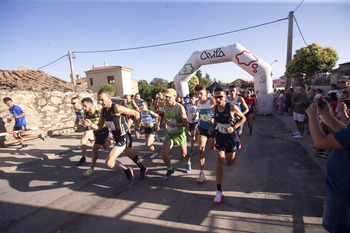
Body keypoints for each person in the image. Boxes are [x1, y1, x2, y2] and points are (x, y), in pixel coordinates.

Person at [306, 98, 350, 232]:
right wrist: (326, 114)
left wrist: (312, 116)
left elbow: (320, 142)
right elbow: (344, 131)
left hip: (344, 197)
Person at [97, 90, 148, 183]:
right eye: (99, 100)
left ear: (109, 97)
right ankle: (143, 167)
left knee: (109, 162)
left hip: (124, 137)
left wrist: (137, 129)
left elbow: (136, 113)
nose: (100, 102)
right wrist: (90, 125)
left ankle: (126, 170)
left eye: (102, 100)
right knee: (130, 154)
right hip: (116, 137)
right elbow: (100, 126)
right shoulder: (103, 111)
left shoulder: (117, 108)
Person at [209, 87, 246, 204]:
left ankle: (237, 145)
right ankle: (219, 191)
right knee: (220, 160)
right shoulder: (214, 109)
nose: (218, 99)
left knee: (229, 162)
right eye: (216, 97)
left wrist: (234, 127)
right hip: (220, 137)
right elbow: (215, 121)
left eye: (220, 96)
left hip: (231, 138)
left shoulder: (232, 108)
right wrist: (211, 128)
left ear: (225, 97)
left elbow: (243, 118)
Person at [161, 88, 191, 181]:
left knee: (184, 154)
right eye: (166, 97)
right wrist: (164, 124)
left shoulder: (180, 107)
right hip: (170, 134)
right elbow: (166, 118)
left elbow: (186, 123)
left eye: (169, 97)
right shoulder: (166, 107)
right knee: (163, 153)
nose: (167, 99)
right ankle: (170, 169)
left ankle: (188, 163)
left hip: (179, 134)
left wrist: (174, 124)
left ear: (174, 97)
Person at [81, 97, 113, 177]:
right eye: (83, 106)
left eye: (85, 106)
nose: (84, 108)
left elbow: (105, 124)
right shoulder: (86, 114)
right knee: (105, 146)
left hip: (103, 132)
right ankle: (113, 140)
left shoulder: (99, 111)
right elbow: (88, 127)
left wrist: (92, 125)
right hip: (96, 133)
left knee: (95, 148)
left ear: (90, 104)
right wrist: (86, 126)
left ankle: (91, 168)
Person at [195, 83, 216, 183]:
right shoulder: (196, 102)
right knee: (200, 149)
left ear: (206, 93)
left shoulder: (211, 101)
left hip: (212, 128)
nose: (199, 96)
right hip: (203, 128)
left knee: (212, 147)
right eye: (197, 94)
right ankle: (202, 172)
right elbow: (199, 115)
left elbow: (217, 113)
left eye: (201, 93)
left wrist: (213, 120)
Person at [71, 97, 95, 166]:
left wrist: (87, 124)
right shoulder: (75, 109)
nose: (73, 105)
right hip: (86, 127)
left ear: (78, 102)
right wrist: (76, 124)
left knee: (83, 141)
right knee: (93, 142)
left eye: (74, 103)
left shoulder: (84, 109)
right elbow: (77, 117)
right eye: (72, 103)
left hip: (89, 127)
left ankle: (83, 158)